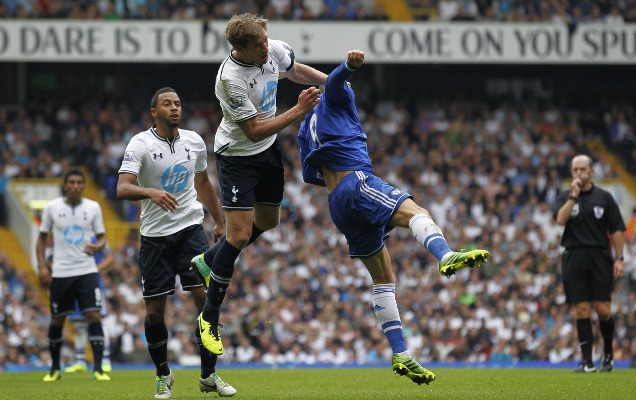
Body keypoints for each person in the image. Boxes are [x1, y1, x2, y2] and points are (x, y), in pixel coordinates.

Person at [297, 50, 490, 385]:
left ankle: (401, 353)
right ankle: (445, 255)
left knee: (383, 278)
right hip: (356, 182)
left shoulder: (305, 127)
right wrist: (349, 67)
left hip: (335, 202)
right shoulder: (336, 98)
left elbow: (308, 176)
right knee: (417, 211)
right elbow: (337, 82)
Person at [191, 13, 326, 355]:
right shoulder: (230, 79)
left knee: (268, 222)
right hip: (238, 156)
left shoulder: (271, 49)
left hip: (267, 150)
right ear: (239, 48)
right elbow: (252, 131)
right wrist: (298, 110)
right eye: (258, 45)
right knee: (237, 235)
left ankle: (209, 259)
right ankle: (208, 319)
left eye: (266, 40)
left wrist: (332, 81)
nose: (266, 47)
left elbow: (294, 70)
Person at [117, 87, 235, 398]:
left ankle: (208, 375)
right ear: (154, 112)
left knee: (205, 300)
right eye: (167, 104)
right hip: (155, 238)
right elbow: (122, 188)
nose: (174, 108)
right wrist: (151, 192)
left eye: (178, 104)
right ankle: (163, 374)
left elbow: (202, 182)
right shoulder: (140, 144)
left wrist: (219, 221)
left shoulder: (194, 141)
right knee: (155, 312)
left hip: (190, 230)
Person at [37, 168, 111, 382]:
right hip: (61, 272)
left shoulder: (93, 207)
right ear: (65, 185)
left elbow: (103, 238)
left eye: (80, 182)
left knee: (94, 316)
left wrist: (98, 247)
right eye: (72, 182)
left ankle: (98, 369)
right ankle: (55, 368)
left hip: (87, 270)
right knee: (57, 320)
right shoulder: (52, 208)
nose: (76, 186)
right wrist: (42, 266)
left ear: (83, 185)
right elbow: (42, 238)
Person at [554, 154, 626, 373]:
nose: (578, 174)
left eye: (583, 170)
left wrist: (620, 258)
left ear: (592, 172)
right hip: (573, 256)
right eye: (575, 170)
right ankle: (587, 362)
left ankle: (608, 355)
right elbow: (560, 220)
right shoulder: (566, 195)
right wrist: (573, 197)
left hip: (600, 256)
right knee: (581, 309)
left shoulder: (604, 197)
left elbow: (616, 229)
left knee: (603, 309)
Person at [64, 238, 116, 373]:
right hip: (74, 282)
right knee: (79, 325)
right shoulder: (70, 236)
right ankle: (80, 361)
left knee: (98, 320)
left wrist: (94, 269)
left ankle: (105, 360)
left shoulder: (97, 237)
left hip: (93, 283)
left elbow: (110, 258)